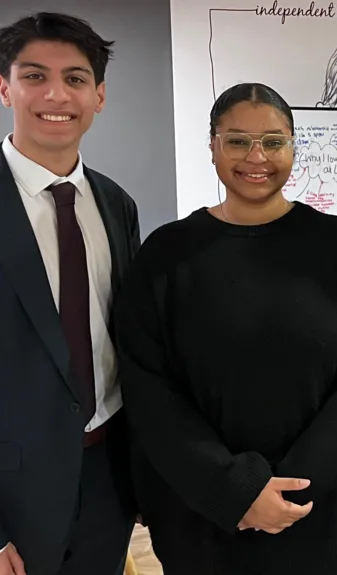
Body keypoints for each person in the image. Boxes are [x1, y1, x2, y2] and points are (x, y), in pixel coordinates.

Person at [112, 82, 337, 575]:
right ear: (213, 147)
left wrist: (292, 486)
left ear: (293, 146)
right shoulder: (165, 256)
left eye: (273, 141)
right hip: (202, 510)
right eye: (238, 140)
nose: (256, 156)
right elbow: (149, 390)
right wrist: (236, 491)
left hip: (315, 509)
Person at [0, 12, 139, 575]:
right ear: (4, 86)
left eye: (76, 79)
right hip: (11, 493)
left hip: (108, 476)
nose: (56, 94)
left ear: (99, 96)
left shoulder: (115, 203)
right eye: (35, 76)